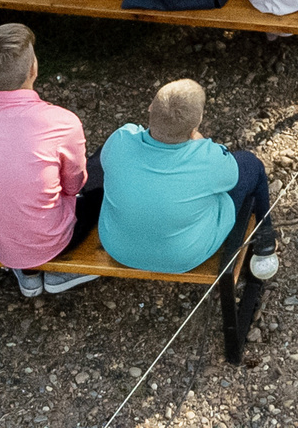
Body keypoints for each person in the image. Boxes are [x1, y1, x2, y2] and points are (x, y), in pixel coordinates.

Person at [0, 23, 99, 296]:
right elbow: (74, 186)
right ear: (34, 68)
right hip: (50, 240)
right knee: (102, 171)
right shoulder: (62, 122)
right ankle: (59, 272)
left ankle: (28, 275)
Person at [94, 79, 281, 279]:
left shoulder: (121, 139)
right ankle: (264, 236)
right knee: (251, 165)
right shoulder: (206, 158)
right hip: (183, 257)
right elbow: (232, 178)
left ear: (150, 108)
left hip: (117, 247)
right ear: (196, 124)